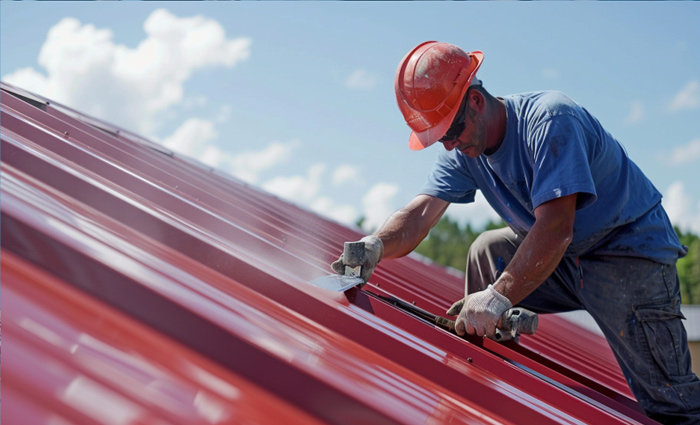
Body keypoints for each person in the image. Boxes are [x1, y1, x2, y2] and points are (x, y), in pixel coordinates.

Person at [331, 41, 700, 424]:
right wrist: (376, 244)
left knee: (672, 404)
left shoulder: (551, 121)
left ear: (476, 101)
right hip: (569, 257)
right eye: (440, 138)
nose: (451, 144)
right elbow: (420, 214)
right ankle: (493, 380)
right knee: (489, 250)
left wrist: (497, 297)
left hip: (626, 254)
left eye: (452, 131)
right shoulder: (464, 149)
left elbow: (556, 230)